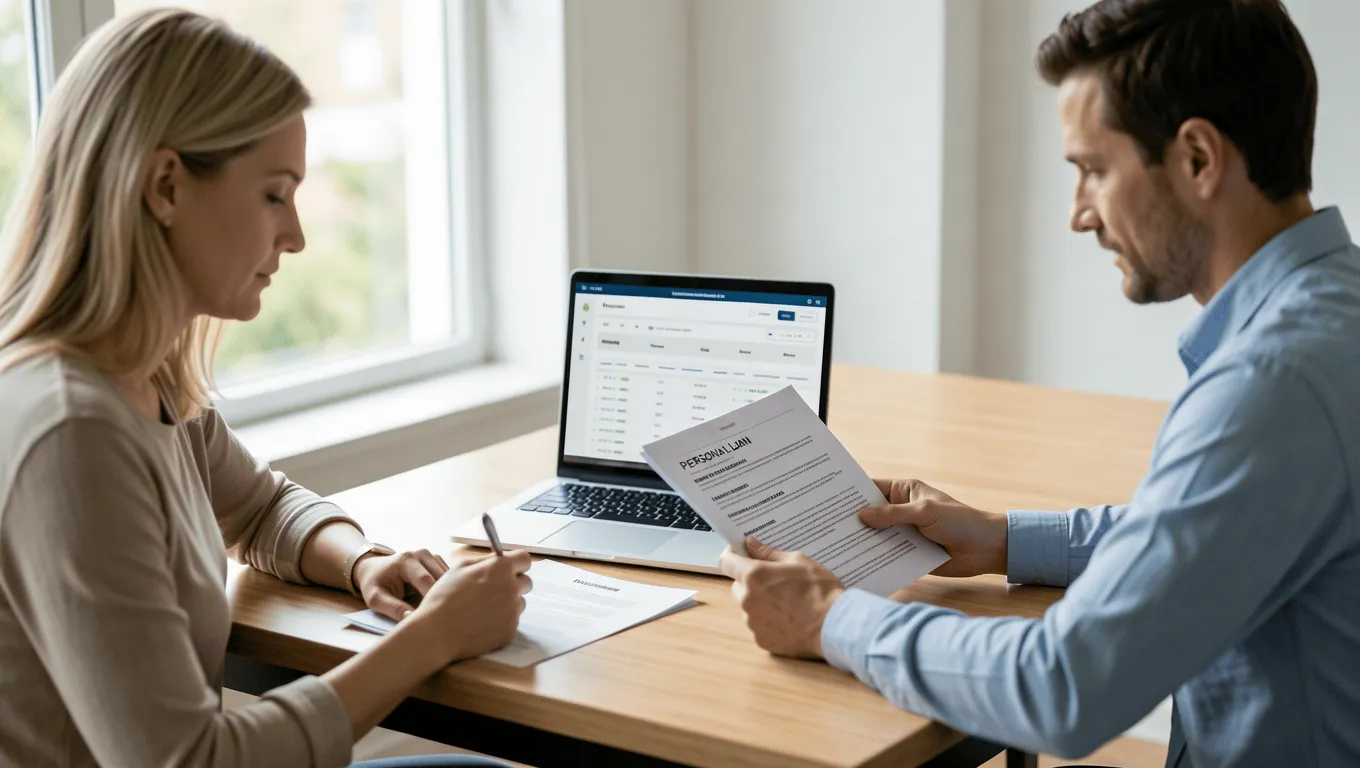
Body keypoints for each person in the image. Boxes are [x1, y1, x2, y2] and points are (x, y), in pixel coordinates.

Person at [719, 1, 1360, 766]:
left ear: (1197, 158)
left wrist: (829, 618)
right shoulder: (1331, 314)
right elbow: (1206, 530)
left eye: (1092, 170)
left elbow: (1066, 687)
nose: (1077, 215)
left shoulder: (1268, 385)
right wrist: (1005, 539)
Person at [0, 9, 530, 768]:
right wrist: (433, 636)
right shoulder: (69, 433)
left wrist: (361, 562)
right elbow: (190, 761)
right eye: (274, 195)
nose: (297, 236)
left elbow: (260, 507)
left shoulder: (146, 383)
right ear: (166, 186)